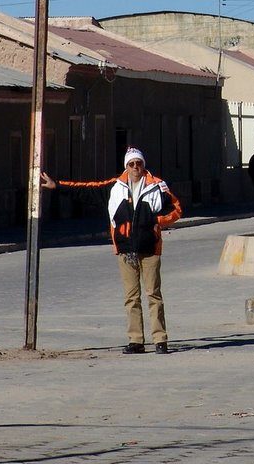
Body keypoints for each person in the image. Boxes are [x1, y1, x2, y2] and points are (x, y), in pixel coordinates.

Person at [41, 147, 182, 354]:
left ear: (144, 165)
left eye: (139, 163)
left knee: (153, 294)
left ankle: (160, 339)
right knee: (131, 297)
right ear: (126, 166)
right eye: (131, 164)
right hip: (125, 250)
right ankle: (136, 341)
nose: (136, 167)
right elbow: (86, 190)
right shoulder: (115, 187)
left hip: (150, 248)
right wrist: (57, 186)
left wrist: (156, 221)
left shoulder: (157, 186)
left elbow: (177, 209)